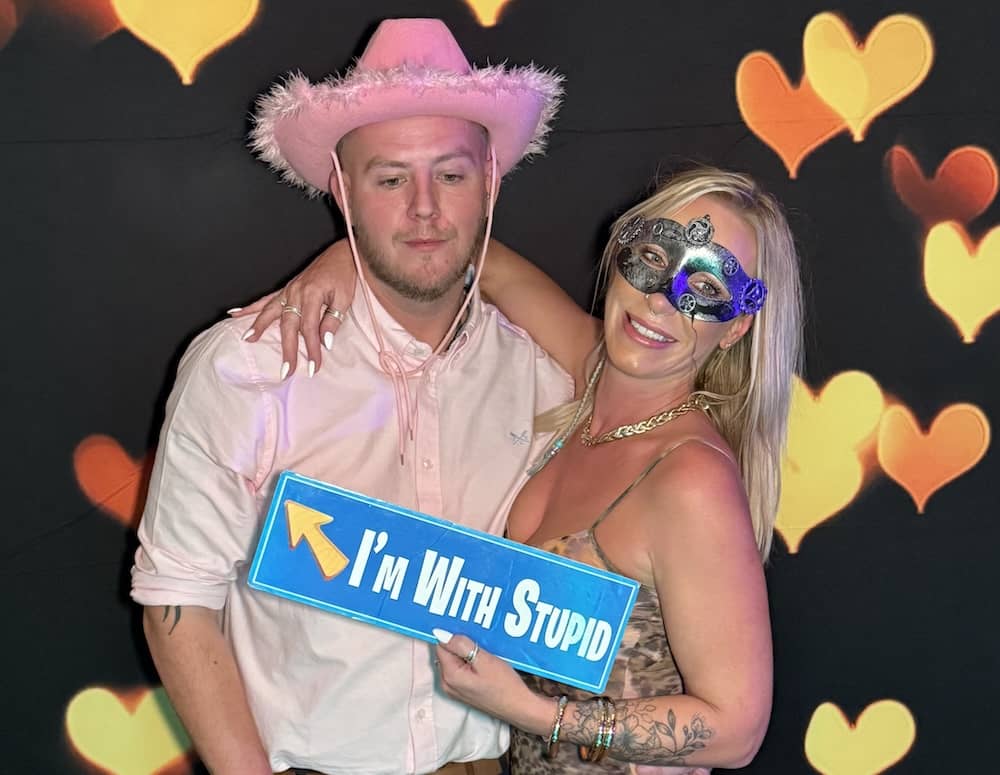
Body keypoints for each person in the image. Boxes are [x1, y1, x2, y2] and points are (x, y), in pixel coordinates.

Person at [236, 166, 804, 772]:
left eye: (706, 287)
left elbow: (736, 731)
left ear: (735, 326)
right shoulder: (593, 374)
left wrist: (533, 712)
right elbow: (488, 265)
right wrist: (344, 262)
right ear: (620, 256)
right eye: (652, 257)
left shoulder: (690, 479)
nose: (661, 300)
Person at [130, 18, 571, 775]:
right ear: (343, 193)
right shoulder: (248, 369)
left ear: (491, 181)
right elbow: (178, 602)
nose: (425, 207)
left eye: (452, 176)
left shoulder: (543, 375)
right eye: (390, 179)